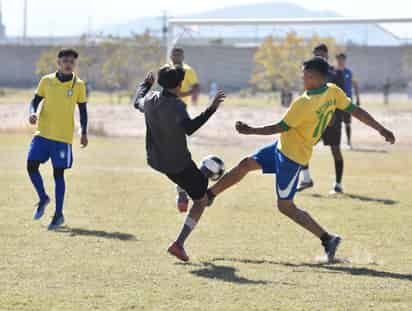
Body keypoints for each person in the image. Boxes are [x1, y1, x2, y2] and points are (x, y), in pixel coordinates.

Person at [206, 57, 395, 262]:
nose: (301, 77)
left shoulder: (304, 103)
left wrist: (250, 131)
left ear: (313, 77)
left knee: (285, 206)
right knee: (245, 164)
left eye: (304, 73)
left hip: (292, 157)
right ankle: (209, 195)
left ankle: (327, 238)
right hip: (281, 147)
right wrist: (381, 129)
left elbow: (279, 127)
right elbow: (356, 111)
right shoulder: (332, 90)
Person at [132, 64, 225, 262]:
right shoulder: (177, 106)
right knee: (201, 201)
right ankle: (179, 244)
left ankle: (183, 191)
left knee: (189, 179)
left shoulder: (149, 100)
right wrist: (212, 108)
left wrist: (145, 86)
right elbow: (190, 128)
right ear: (179, 85)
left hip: (157, 161)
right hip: (179, 164)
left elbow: (136, 102)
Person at [27, 48, 88, 230]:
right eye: (65, 61)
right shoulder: (47, 81)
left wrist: (84, 132)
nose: (69, 64)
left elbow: (83, 111)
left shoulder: (79, 85)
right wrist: (32, 113)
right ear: (58, 63)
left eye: (72, 62)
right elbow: (35, 100)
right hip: (43, 134)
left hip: (62, 138)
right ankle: (43, 198)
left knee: (58, 174)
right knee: (31, 166)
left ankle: (58, 214)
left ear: (75, 64)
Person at [170, 47, 202, 212]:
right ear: (170, 56)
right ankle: (183, 191)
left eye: (179, 55)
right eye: (174, 55)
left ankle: (183, 192)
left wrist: (191, 94)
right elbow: (166, 92)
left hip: (180, 113)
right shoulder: (166, 70)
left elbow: (196, 87)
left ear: (183, 56)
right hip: (164, 113)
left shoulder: (188, 70)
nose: (176, 57)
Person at [335, 53, 361, 148]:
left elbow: (355, 85)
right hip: (336, 101)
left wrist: (358, 98)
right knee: (336, 123)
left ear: (345, 60)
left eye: (342, 59)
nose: (340, 61)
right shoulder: (334, 72)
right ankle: (337, 143)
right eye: (339, 59)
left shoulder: (349, 72)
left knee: (347, 122)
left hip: (348, 101)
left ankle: (349, 142)